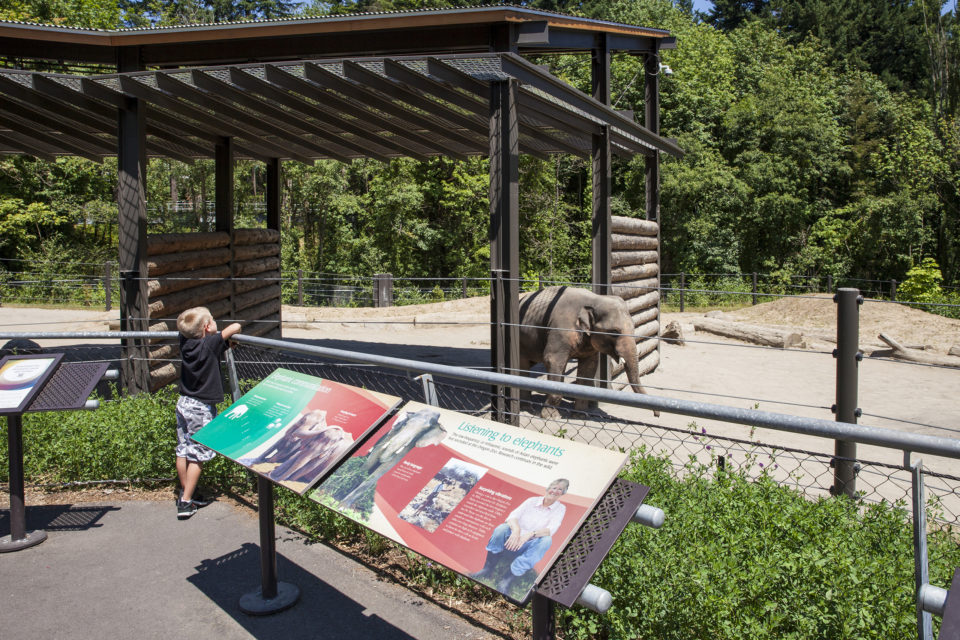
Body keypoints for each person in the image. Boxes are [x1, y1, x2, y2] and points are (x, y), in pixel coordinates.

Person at [175, 306, 241, 520]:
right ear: (206, 327)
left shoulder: (185, 342)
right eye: (212, 320)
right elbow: (235, 327)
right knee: (198, 455)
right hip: (200, 408)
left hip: (183, 402)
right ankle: (185, 502)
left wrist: (218, 339)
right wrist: (220, 333)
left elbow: (209, 343)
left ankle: (187, 493)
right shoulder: (210, 343)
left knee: (183, 448)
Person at [471, 478, 570, 593]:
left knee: (546, 541)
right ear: (548, 489)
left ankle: (507, 579)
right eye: (554, 487)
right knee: (501, 528)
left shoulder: (560, 509)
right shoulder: (532, 501)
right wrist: (516, 531)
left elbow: (551, 529)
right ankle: (487, 569)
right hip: (511, 541)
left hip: (528, 545)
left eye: (560, 489)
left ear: (563, 493)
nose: (555, 491)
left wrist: (530, 535)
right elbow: (512, 516)